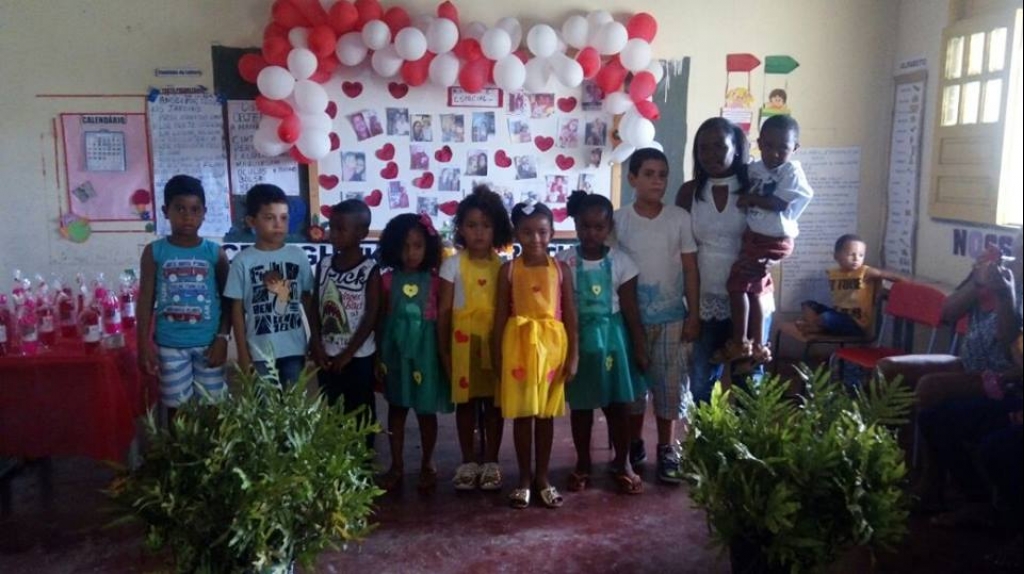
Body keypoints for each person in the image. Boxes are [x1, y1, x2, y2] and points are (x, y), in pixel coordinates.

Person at [614, 147, 699, 485]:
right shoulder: (619, 220)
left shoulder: (679, 218)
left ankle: (666, 447)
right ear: (632, 178)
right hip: (629, 321)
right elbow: (612, 270)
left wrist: (693, 315)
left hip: (672, 319)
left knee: (669, 386)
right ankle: (634, 443)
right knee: (634, 389)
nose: (657, 181)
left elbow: (690, 269)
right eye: (648, 174)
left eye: (662, 175)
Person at [557, 190, 648, 495]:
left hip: (613, 342)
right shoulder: (563, 262)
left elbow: (631, 309)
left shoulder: (622, 262)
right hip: (578, 342)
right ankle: (583, 462)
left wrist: (640, 346)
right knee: (581, 407)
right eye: (585, 226)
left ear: (609, 228)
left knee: (618, 405)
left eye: (599, 227)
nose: (591, 233)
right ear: (575, 224)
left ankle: (622, 462)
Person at [676, 118, 768, 405]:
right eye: (703, 148)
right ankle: (705, 434)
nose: (710, 154)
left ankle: (746, 435)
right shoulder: (689, 192)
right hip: (705, 299)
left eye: (719, 146)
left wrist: (767, 260)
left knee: (747, 383)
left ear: (736, 148)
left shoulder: (754, 186)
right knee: (701, 383)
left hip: (750, 298)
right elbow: (682, 250)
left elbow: (776, 231)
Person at [493, 201, 578, 508]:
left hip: (552, 351)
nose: (535, 239)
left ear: (552, 233)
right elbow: (500, 317)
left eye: (542, 232)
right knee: (523, 415)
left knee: (545, 416)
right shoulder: (508, 270)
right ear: (516, 233)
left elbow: (571, 316)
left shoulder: (561, 270)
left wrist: (574, 356)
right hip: (518, 349)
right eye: (527, 232)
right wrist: (496, 356)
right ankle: (524, 479)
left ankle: (542, 477)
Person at [438, 186, 515, 492]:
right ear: (460, 229)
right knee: (467, 405)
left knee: (494, 406)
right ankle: (468, 461)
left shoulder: (505, 266)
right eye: (472, 225)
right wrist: (444, 352)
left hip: (494, 345)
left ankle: (492, 461)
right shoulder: (452, 264)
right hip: (462, 345)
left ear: (497, 228)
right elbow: (444, 311)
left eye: (486, 225)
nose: (479, 232)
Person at [136, 175, 230, 420]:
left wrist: (222, 338)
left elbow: (228, 300)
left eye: (195, 209)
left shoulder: (215, 253)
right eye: (180, 209)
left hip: (209, 344)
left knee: (213, 408)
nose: (188, 216)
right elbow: (145, 301)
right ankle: (179, 447)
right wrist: (142, 344)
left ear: (204, 213)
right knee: (177, 411)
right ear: (165, 211)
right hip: (170, 345)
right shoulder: (154, 252)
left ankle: (211, 448)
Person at [722, 115, 813, 362]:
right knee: (753, 289)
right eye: (769, 146)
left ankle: (743, 343)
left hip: (774, 238)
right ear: (759, 143)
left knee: (738, 285)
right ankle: (757, 345)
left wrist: (751, 199)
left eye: (783, 148)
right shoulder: (756, 168)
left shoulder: (791, 171)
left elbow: (779, 203)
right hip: (757, 236)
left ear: (795, 148)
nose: (774, 153)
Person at [376, 213, 453, 494]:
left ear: (428, 247)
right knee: (396, 409)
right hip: (395, 353)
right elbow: (379, 319)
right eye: (404, 246)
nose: (411, 253)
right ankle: (396, 465)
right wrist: (378, 356)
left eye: (418, 246)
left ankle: (427, 463)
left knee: (425, 411)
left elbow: (444, 319)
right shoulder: (386, 280)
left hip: (426, 354)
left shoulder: (436, 281)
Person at [224, 184, 314, 386]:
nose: (278, 224)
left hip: (294, 349)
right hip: (259, 351)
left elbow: (308, 300)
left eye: (284, 217)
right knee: (264, 403)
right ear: (251, 221)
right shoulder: (243, 261)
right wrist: (242, 352)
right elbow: (236, 310)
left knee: (293, 402)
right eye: (269, 218)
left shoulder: (298, 256)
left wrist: (315, 338)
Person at [309, 200, 379, 452]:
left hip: (358, 357)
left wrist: (348, 354)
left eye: (341, 229)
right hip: (327, 355)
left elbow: (371, 315)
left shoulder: (370, 269)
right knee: (332, 407)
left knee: (360, 408)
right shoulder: (324, 265)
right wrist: (316, 343)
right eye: (332, 227)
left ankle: (363, 458)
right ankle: (337, 458)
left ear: (361, 233)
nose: (333, 234)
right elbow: (316, 304)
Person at [798, 234, 904, 337]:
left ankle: (814, 327)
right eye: (850, 254)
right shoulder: (833, 273)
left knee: (826, 317)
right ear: (836, 256)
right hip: (838, 314)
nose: (856, 258)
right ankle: (814, 325)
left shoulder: (864, 272)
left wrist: (907, 283)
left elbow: (887, 275)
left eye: (861, 255)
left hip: (855, 323)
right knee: (808, 304)